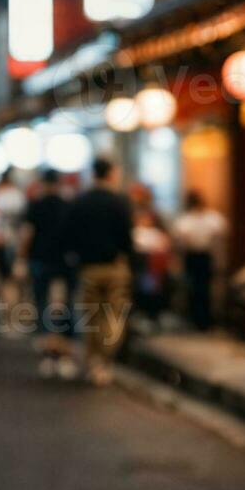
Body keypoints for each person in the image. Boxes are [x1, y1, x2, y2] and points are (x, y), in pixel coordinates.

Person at [61, 156, 135, 387]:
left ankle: (94, 362)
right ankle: (104, 360)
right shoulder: (120, 202)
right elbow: (127, 238)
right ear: (111, 174)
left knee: (90, 317)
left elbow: (68, 235)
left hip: (88, 269)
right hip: (115, 268)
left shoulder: (81, 201)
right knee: (113, 316)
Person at [15, 168, 73, 378]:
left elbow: (27, 234)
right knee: (65, 308)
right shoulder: (68, 205)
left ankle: (48, 353)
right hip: (64, 263)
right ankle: (64, 354)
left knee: (42, 305)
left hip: (40, 260)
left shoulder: (36, 205)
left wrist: (21, 259)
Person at [171, 190, 227, 331]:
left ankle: (205, 320)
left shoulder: (213, 218)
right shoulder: (186, 219)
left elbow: (220, 233)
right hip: (191, 256)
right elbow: (179, 238)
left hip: (205, 255)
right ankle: (194, 319)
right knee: (192, 288)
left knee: (204, 289)